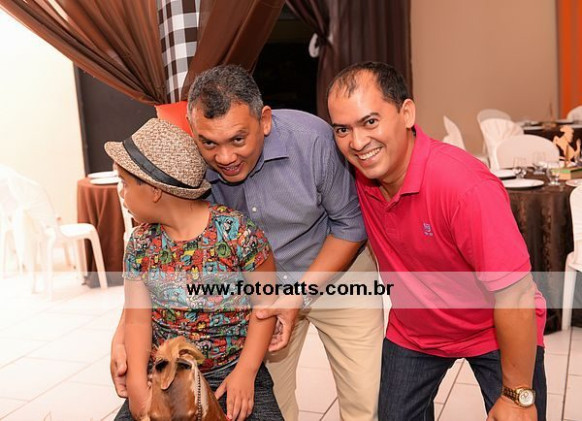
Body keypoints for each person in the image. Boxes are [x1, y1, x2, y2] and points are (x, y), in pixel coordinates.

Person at [110, 64, 384, 421]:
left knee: (366, 399)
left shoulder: (313, 141)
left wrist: (297, 295)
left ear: (264, 121)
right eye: (209, 143)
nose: (224, 157)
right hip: (259, 296)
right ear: (192, 129)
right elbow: (149, 272)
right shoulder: (188, 164)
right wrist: (121, 334)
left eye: (238, 140)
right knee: (271, 401)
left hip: (337, 272)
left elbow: (350, 225)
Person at [326, 62, 548, 421]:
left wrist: (516, 395)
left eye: (370, 121)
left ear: (407, 113)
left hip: (493, 330)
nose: (357, 142)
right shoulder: (358, 175)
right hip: (415, 331)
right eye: (342, 129)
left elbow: (516, 295)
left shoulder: (463, 186)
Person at [105, 118, 283, 421]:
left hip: (232, 371)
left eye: (125, 183)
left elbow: (265, 308)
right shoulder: (139, 243)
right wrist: (136, 385)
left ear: (154, 190)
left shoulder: (238, 233)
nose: (121, 194)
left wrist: (246, 371)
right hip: (165, 374)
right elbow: (136, 320)